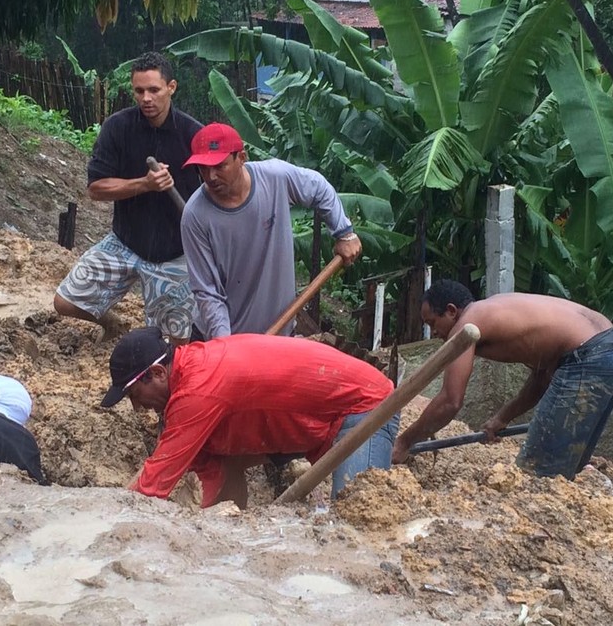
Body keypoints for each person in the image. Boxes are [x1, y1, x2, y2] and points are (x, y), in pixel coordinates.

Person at [100, 326, 398, 508]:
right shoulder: (191, 371)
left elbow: (149, 489)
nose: (139, 408)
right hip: (312, 416)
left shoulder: (198, 390)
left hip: (364, 406)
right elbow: (207, 472)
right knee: (216, 455)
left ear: (157, 373)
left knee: (356, 514)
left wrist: (99, 519)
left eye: (135, 396)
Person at [392, 280, 613, 479]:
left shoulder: (468, 325)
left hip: (589, 359)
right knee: (566, 466)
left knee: (537, 472)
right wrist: (501, 418)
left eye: (432, 323)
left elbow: (450, 401)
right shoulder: (495, 310)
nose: (433, 332)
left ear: (452, 311)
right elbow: (541, 378)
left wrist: (404, 442)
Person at [54, 51, 201, 343]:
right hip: (124, 243)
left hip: (174, 253)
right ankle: (114, 324)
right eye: (139, 91)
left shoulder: (192, 134)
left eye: (154, 90)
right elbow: (96, 188)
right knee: (65, 302)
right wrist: (144, 184)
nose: (146, 98)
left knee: (175, 342)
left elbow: (214, 190)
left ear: (171, 88)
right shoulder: (118, 128)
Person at [180, 122, 362, 340]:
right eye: (203, 168)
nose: (210, 177)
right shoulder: (195, 215)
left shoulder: (275, 178)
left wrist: (344, 232)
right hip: (222, 338)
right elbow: (208, 292)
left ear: (242, 158)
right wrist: (226, 346)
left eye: (219, 166)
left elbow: (319, 188)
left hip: (278, 335)